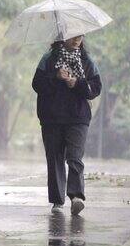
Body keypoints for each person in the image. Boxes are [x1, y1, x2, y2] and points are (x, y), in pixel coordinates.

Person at [32, 34, 101, 216]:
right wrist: (55, 77)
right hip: (52, 118)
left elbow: (95, 88)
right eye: (73, 35)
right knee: (54, 158)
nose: (77, 38)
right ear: (63, 37)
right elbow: (36, 84)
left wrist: (77, 83)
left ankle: (76, 196)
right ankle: (57, 200)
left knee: (75, 156)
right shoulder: (49, 58)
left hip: (78, 117)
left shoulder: (86, 60)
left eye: (80, 35)